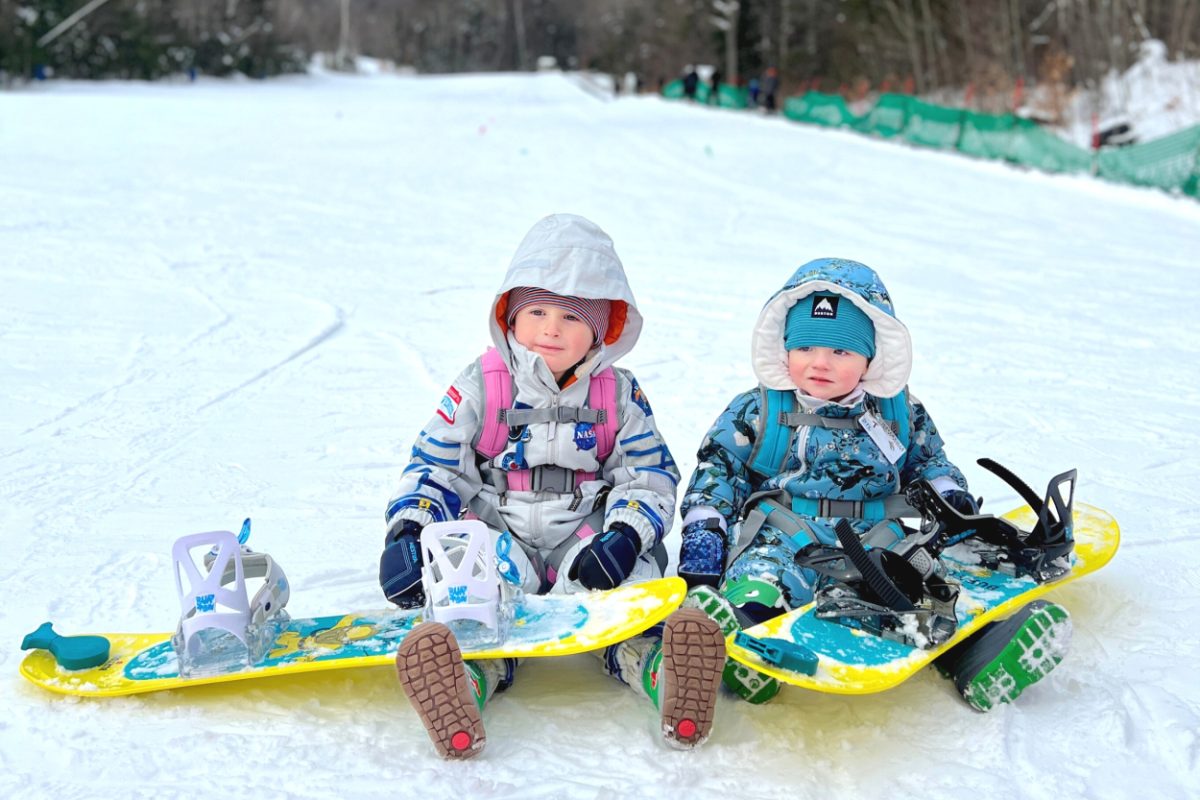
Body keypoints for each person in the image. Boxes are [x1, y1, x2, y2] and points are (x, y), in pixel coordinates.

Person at [381, 214, 724, 758]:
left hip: (588, 541)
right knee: (466, 591)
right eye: (536, 312)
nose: (550, 329)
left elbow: (649, 474)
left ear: (601, 328)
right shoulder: (482, 382)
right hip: (498, 533)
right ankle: (463, 683)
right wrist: (407, 529)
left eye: (570, 316)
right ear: (510, 316)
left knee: (632, 596)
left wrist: (626, 538)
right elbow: (436, 464)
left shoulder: (617, 394)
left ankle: (666, 673)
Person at [676, 257, 1071, 710]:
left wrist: (948, 496)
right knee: (759, 583)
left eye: (841, 352)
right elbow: (719, 470)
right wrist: (705, 529)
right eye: (805, 348)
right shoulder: (760, 408)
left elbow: (929, 461)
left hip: (876, 535)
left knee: (925, 591)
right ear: (783, 348)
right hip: (785, 532)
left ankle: (976, 656)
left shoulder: (896, 411)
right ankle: (743, 649)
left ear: (870, 357)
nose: (819, 363)